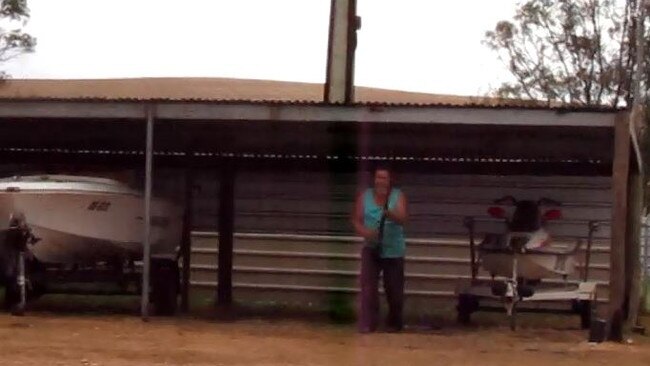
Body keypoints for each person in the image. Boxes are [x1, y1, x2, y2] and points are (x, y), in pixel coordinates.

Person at [351, 163, 408, 333]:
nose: (380, 181)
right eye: (378, 177)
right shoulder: (364, 196)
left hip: (393, 250)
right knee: (368, 287)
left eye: (384, 178)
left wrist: (390, 214)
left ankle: (394, 322)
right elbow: (356, 220)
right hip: (371, 248)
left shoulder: (398, 196)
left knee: (394, 290)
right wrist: (365, 232)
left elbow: (403, 218)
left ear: (390, 180)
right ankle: (369, 322)